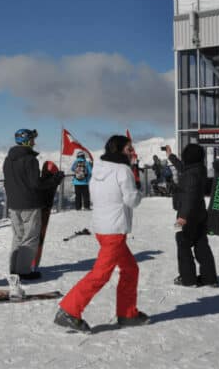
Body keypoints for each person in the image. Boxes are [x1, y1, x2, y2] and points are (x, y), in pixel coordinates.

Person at [54, 135, 149, 333]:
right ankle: (69, 310)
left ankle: (127, 313)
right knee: (101, 274)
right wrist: (138, 191)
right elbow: (132, 200)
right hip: (114, 230)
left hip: (102, 226)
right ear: (119, 150)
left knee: (130, 269)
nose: (132, 152)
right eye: (129, 149)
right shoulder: (123, 171)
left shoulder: (99, 167)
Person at [3, 129, 65, 280]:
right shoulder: (30, 160)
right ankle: (23, 271)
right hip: (29, 204)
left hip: (13, 204)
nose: (34, 142)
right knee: (30, 238)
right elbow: (35, 184)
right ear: (26, 141)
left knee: (18, 236)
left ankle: (14, 269)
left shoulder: (8, 159)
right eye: (32, 139)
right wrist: (54, 180)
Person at [166, 144, 218, 287]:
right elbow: (183, 168)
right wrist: (171, 156)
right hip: (200, 214)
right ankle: (209, 278)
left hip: (187, 216)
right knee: (201, 244)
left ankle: (188, 278)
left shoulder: (190, 175)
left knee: (182, 243)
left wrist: (182, 217)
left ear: (187, 157)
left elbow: (189, 196)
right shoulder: (199, 170)